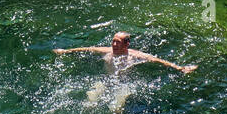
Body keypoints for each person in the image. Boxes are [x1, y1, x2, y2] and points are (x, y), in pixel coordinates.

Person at [54, 31, 196, 74]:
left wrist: (180, 68)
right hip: (106, 80)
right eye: (113, 41)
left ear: (127, 44)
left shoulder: (135, 55)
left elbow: (156, 60)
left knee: (116, 109)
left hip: (123, 85)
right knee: (91, 100)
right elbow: (87, 49)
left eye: (118, 42)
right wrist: (65, 51)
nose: (114, 45)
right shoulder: (107, 50)